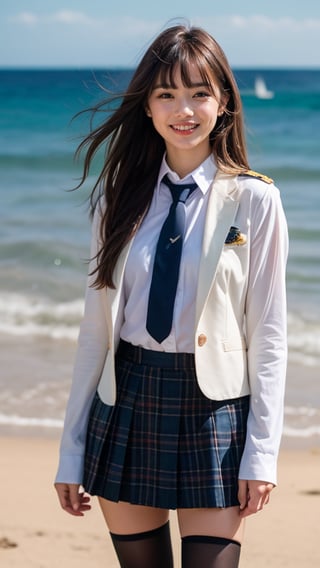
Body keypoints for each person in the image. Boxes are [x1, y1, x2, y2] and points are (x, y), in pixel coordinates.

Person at [54, 24, 288, 568]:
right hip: (128, 400)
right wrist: (70, 452)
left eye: (199, 93)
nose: (184, 109)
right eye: (166, 94)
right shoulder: (116, 201)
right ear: (148, 107)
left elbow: (269, 335)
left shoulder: (255, 200)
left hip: (218, 412)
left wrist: (263, 453)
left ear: (224, 101)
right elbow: (95, 332)